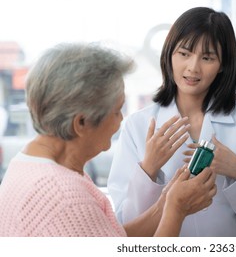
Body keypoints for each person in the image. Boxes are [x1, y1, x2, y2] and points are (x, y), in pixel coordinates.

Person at [0, 42, 217, 237]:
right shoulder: (65, 198)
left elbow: (108, 237)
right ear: (81, 123)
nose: (121, 119)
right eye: (116, 111)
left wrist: (165, 203)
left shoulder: (29, 163)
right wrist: (176, 210)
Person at [108, 7, 236, 237]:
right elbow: (128, 226)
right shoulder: (138, 125)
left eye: (207, 58)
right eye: (184, 53)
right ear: (169, 54)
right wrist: (149, 168)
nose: (193, 67)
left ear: (223, 64)